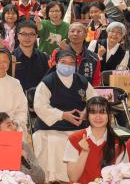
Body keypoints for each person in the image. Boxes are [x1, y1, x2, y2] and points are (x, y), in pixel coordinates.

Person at [33, 50, 94, 182]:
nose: (67, 66)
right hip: (52, 127)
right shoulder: (48, 82)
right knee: (56, 140)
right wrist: (62, 115)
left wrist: (86, 113)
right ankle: (54, 178)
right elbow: (39, 106)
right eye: (63, 62)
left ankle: (81, 176)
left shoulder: (82, 81)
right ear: (56, 63)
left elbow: (93, 100)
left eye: (71, 63)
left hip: (78, 126)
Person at [63, 97, 123, 184]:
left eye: (102, 112)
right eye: (93, 112)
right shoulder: (74, 139)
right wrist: (84, 152)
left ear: (109, 115)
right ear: (87, 116)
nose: (98, 117)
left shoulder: (118, 143)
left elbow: (120, 178)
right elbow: (73, 177)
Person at [0, 113, 45, 183]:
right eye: (9, 125)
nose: (14, 127)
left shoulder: (23, 146)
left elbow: (41, 178)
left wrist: (27, 162)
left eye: (13, 123)